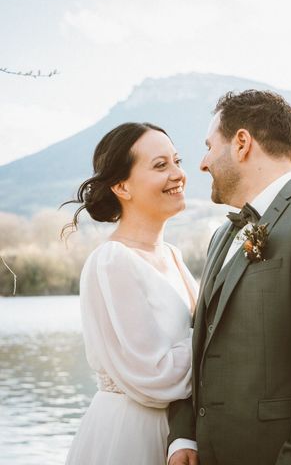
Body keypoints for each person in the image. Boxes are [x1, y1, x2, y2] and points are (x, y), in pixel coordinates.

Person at [168, 90, 291, 465]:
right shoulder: (221, 237)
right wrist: (184, 435)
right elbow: (199, 344)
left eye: (209, 146)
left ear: (242, 143)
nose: (201, 163)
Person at [63, 122, 197, 465]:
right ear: (122, 186)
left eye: (177, 161)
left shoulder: (173, 256)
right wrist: (224, 338)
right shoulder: (113, 261)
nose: (178, 174)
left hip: (176, 434)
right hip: (130, 434)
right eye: (160, 165)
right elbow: (155, 374)